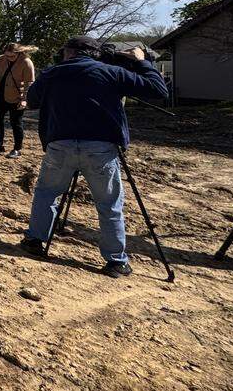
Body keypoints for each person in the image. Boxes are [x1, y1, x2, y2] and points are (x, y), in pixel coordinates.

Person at [20, 36, 168, 278]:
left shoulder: (52, 73)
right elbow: (158, 90)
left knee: (47, 193)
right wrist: (142, 62)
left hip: (60, 144)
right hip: (101, 149)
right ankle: (116, 261)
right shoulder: (111, 72)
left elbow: (33, 101)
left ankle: (35, 240)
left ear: (68, 53)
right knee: (109, 203)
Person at [0, 42, 37, 159]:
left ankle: (17, 149)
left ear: (18, 53)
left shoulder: (26, 62)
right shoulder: (0, 59)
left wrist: (24, 99)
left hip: (17, 97)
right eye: (7, 55)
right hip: (0, 94)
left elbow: (29, 83)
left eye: (12, 56)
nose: (9, 58)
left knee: (16, 123)